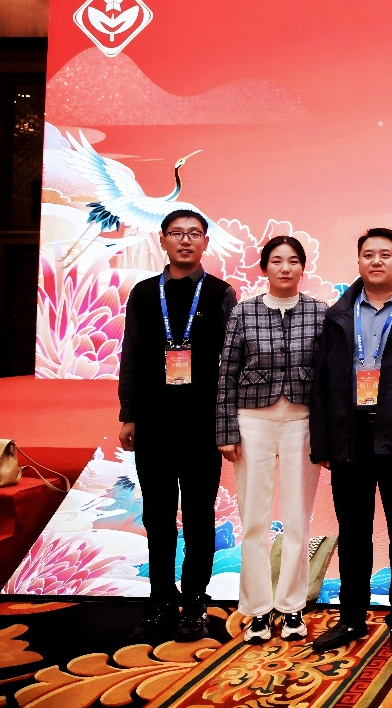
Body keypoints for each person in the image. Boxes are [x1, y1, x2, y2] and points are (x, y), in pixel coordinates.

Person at [309, 228, 392, 654]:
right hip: (350, 435)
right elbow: (322, 383)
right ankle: (351, 617)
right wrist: (323, 444)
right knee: (353, 533)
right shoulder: (338, 315)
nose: (377, 261)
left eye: (386, 254)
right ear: (359, 262)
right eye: (368, 254)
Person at [119, 209, 237, 642]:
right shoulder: (144, 294)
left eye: (194, 234)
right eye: (176, 233)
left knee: (200, 515)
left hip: (202, 424)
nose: (185, 240)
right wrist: (128, 413)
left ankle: (194, 600)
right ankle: (161, 599)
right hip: (153, 421)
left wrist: (227, 424)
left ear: (205, 241)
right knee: (158, 514)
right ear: (162, 240)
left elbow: (232, 364)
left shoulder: (221, 293)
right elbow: (131, 354)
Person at [216, 236, 328, 644]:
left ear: (303, 268)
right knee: (255, 520)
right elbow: (227, 372)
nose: (285, 268)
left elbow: (329, 375)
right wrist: (226, 431)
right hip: (253, 422)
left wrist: (327, 434)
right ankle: (258, 609)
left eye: (293, 261)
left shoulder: (319, 311)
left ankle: (292, 605)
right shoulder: (244, 311)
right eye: (277, 261)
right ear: (264, 267)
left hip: (303, 421)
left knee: (298, 518)